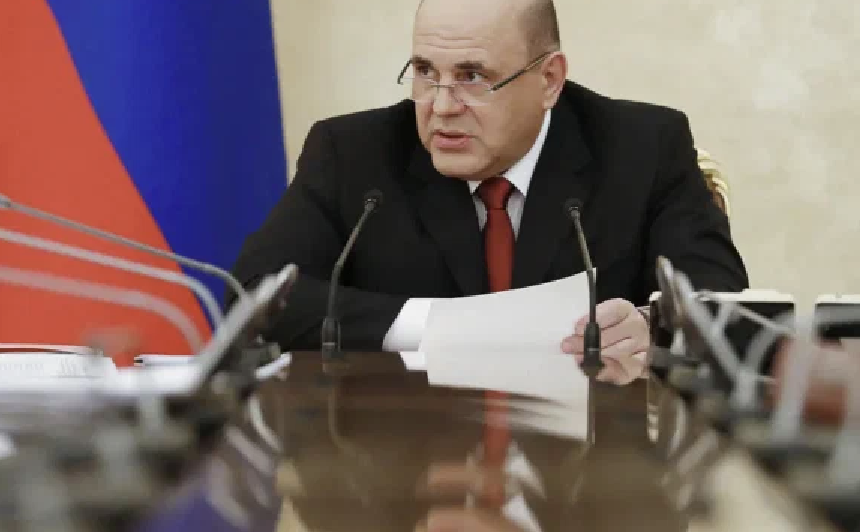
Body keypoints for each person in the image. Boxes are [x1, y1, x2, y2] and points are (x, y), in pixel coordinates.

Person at [231, 0, 748, 384]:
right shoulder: (353, 154)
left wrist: (650, 328)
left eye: (472, 76)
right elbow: (255, 295)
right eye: (425, 72)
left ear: (549, 79)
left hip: (587, 470)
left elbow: (724, 305)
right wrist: (435, 326)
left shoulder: (643, 147)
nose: (441, 106)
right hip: (409, 459)